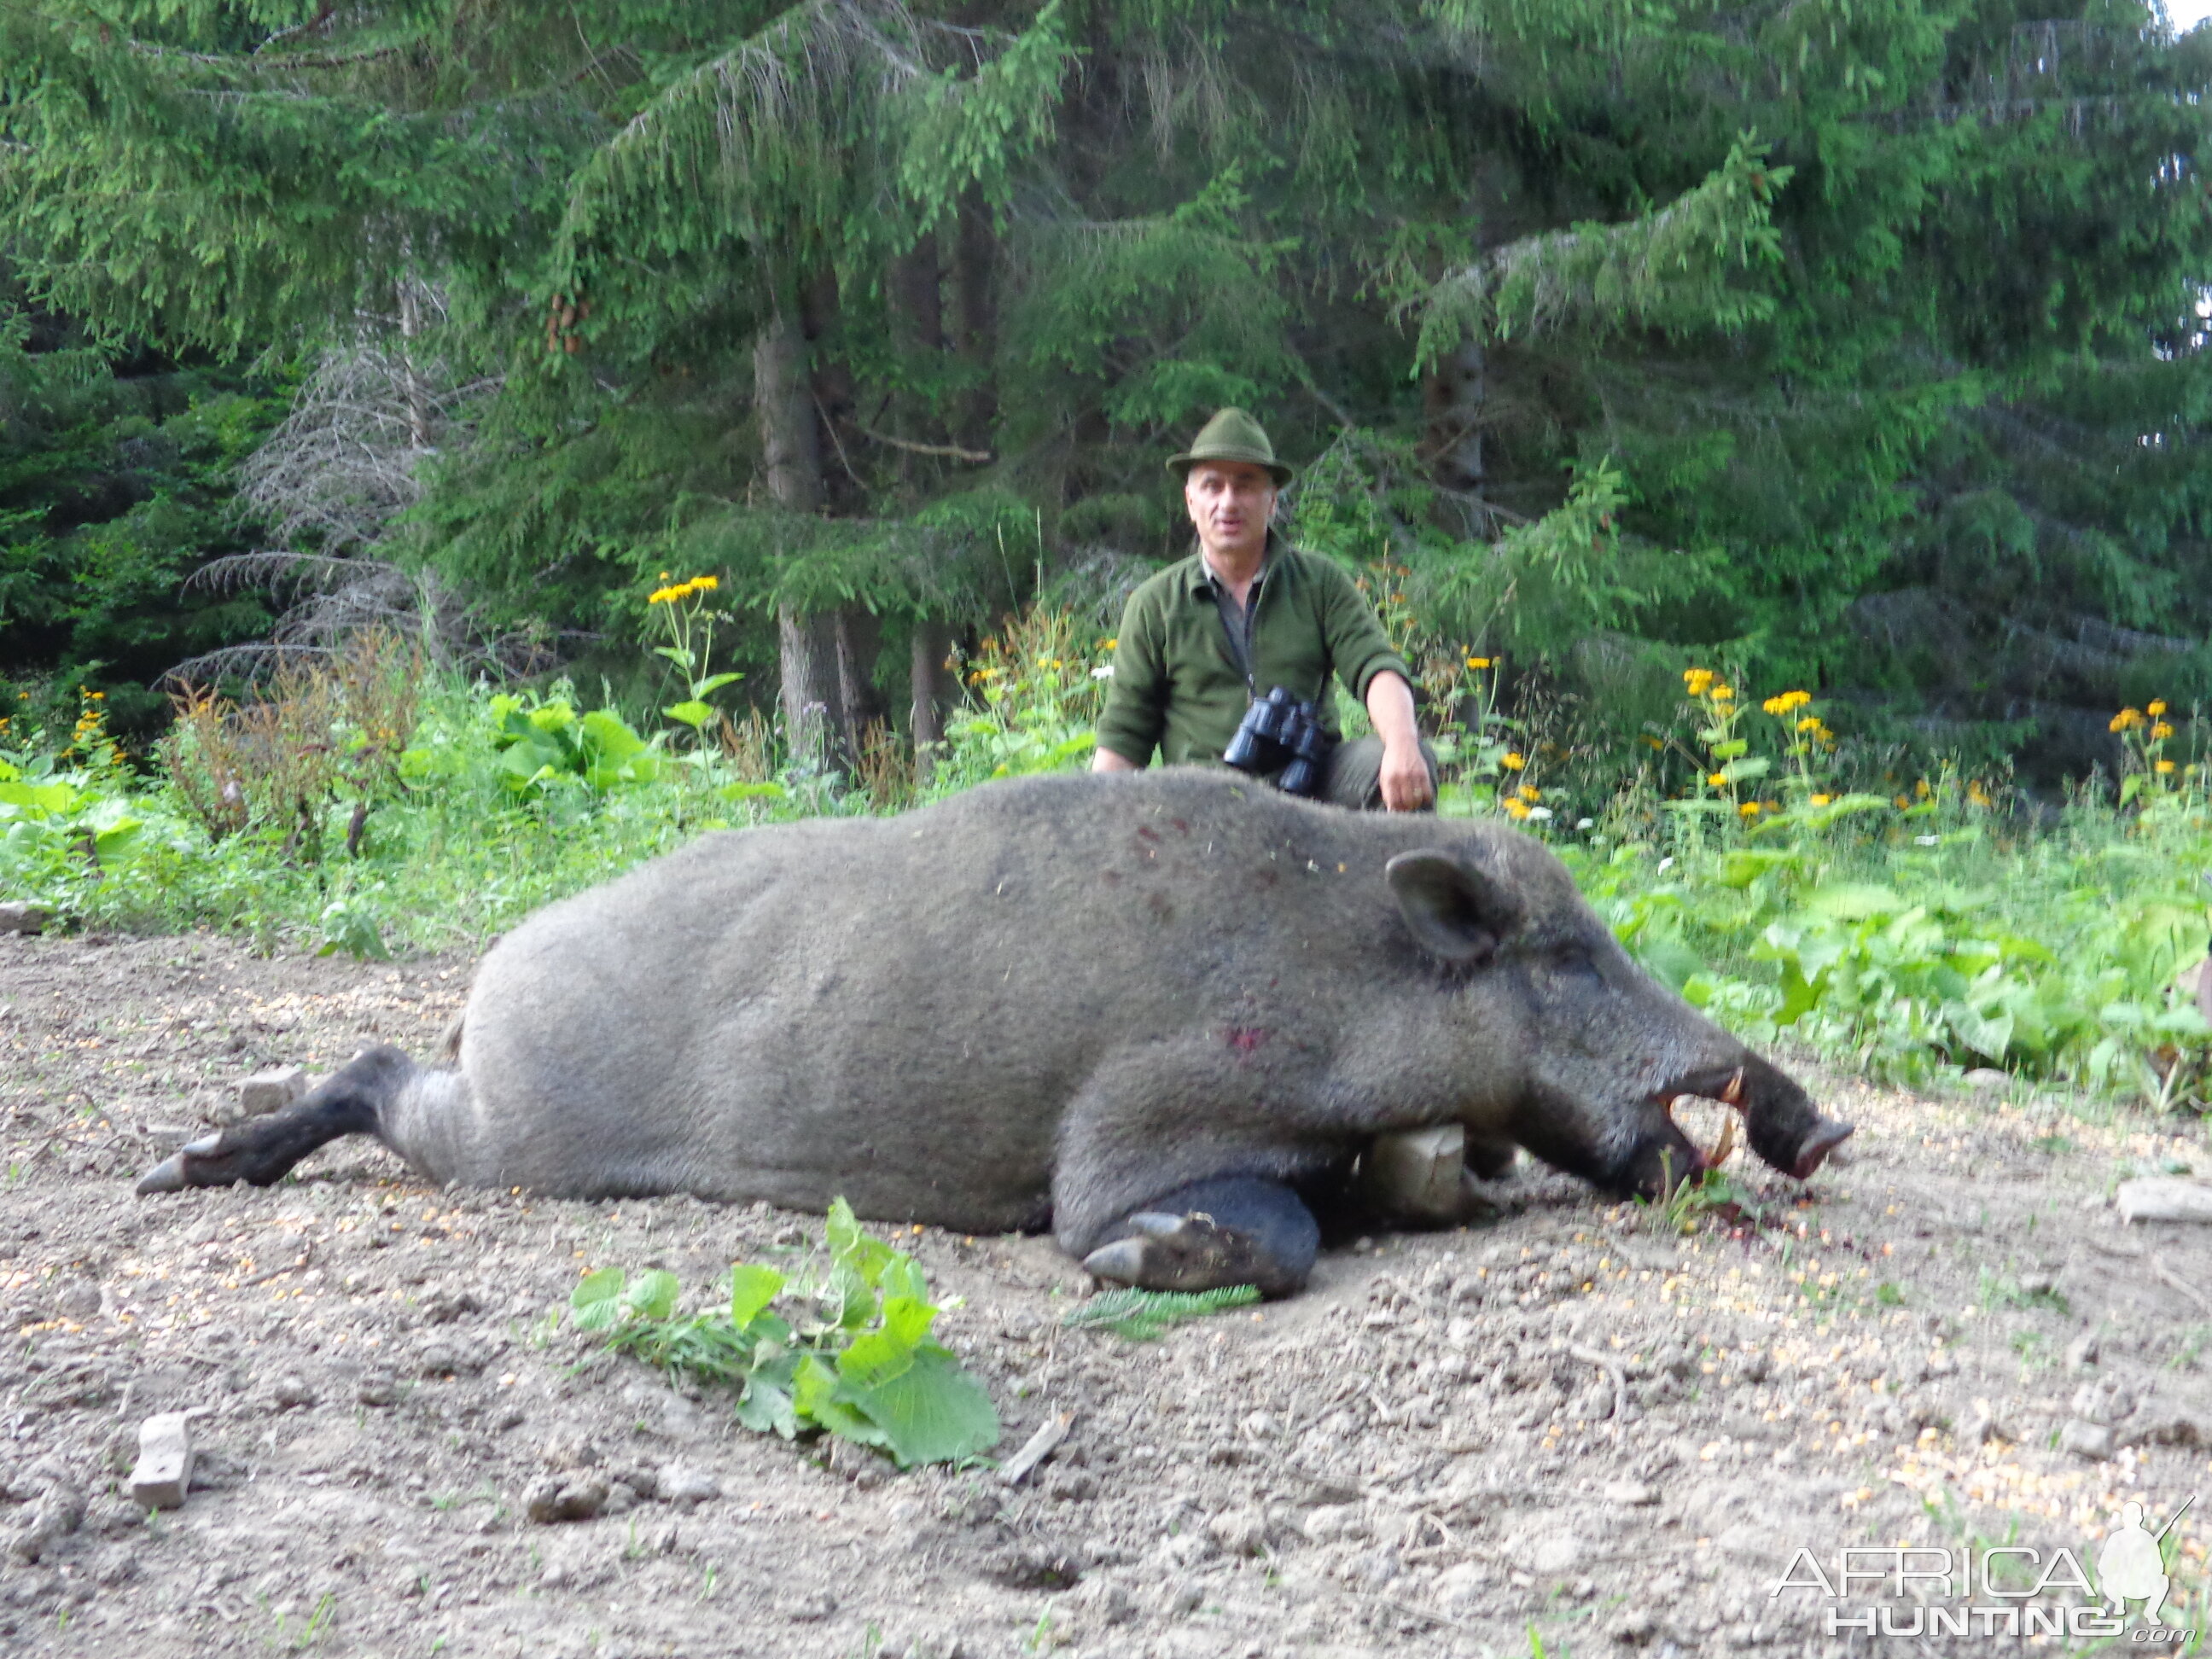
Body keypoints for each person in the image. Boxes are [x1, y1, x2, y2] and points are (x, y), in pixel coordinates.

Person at [1092, 408, 1437, 811]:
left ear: (1271, 501)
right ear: (1190, 502)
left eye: (1245, 485)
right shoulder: (1155, 604)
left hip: (1311, 787)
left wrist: (1402, 745)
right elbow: (1123, 736)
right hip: (1201, 800)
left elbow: (1376, 668)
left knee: (1404, 763)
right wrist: (1096, 822)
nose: (1228, 502)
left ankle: (1403, 876)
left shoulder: (1320, 583)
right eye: (1212, 486)